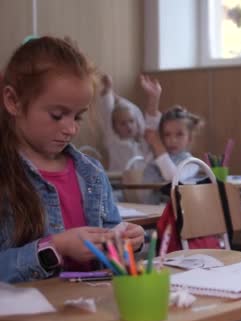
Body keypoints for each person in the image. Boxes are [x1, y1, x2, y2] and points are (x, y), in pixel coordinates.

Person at [0, 37, 145, 283]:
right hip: (28, 319)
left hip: (90, 311)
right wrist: (54, 248)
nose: (71, 129)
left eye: (78, 117)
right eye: (57, 116)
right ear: (13, 101)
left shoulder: (91, 173)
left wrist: (127, 242)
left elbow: (113, 254)